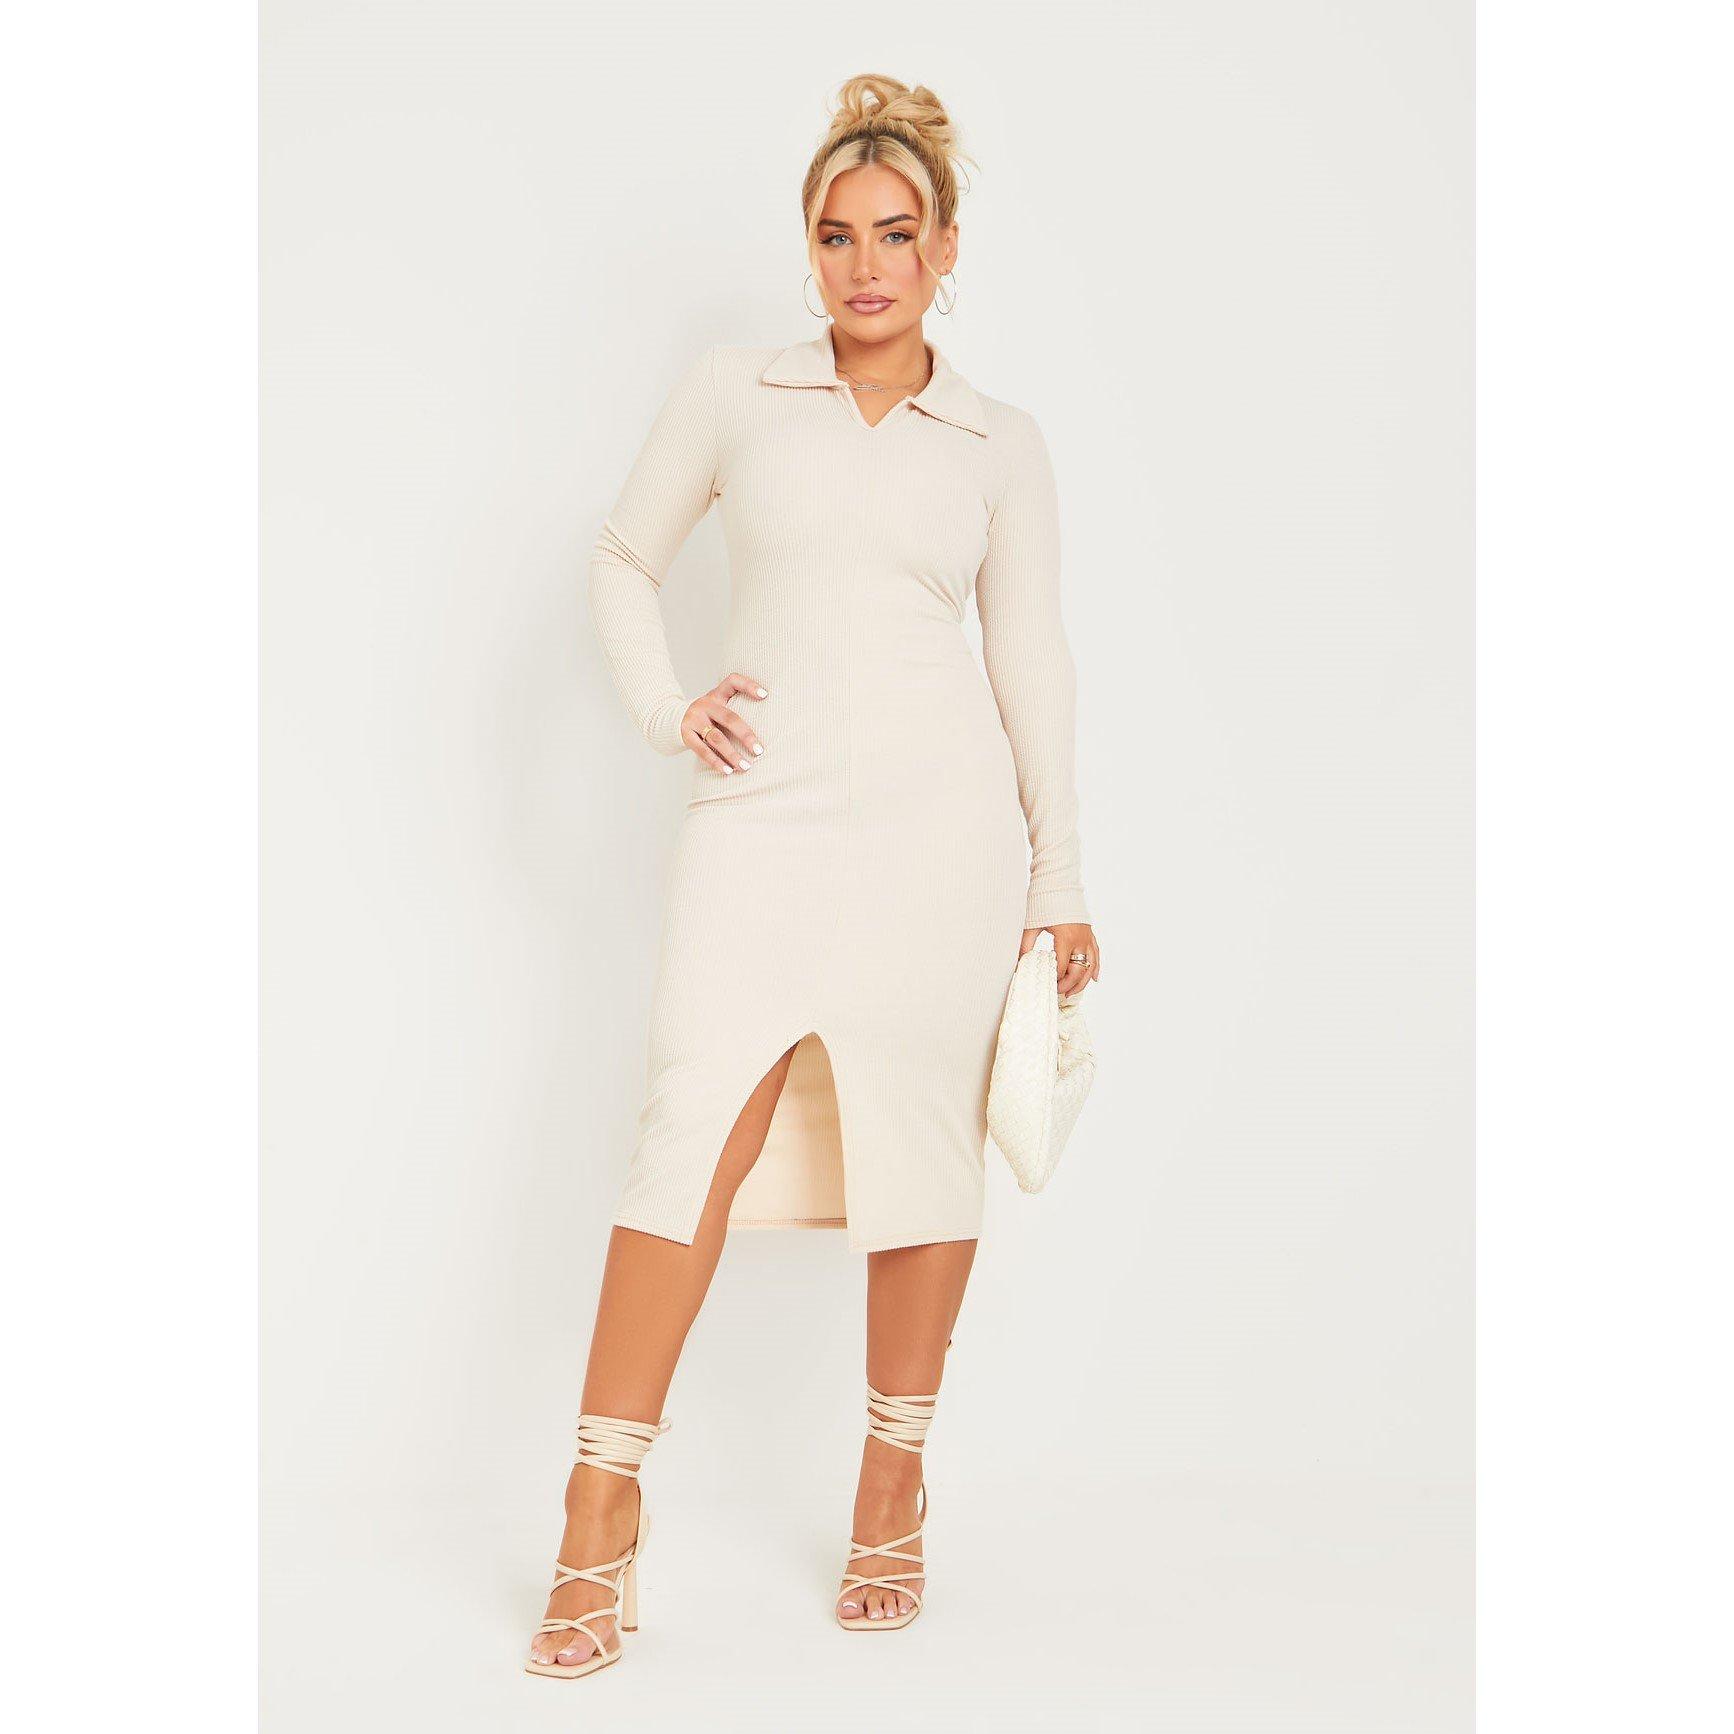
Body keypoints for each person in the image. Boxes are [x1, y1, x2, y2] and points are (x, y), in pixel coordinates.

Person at [526, 72, 1102, 1680]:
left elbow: (1031, 658)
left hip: (940, 840)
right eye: (838, 235)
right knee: (683, 1137)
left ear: (945, 248)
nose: (866, 265)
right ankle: (595, 1508)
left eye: (896, 234)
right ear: (809, 246)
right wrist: (668, 708)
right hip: (757, 824)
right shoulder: (736, 392)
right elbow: (621, 556)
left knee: (919, 1148)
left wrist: (1058, 875)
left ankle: (890, 1477)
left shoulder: (999, 443)